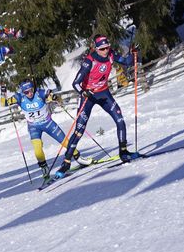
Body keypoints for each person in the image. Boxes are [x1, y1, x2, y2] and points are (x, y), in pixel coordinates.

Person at [57, 35, 137, 179]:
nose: (106, 51)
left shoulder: (111, 54)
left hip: (104, 94)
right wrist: (84, 92)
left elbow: (126, 61)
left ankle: (123, 151)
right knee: (79, 130)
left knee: (120, 120)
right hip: (88, 97)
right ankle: (66, 162)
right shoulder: (90, 61)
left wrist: (133, 53)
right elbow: (76, 83)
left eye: (107, 47)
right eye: (102, 49)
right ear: (96, 49)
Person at [3, 81, 92, 180]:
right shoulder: (19, 97)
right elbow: (4, 103)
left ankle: (78, 158)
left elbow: (50, 94)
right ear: (23, 92)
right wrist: (3, 93)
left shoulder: (39, 93)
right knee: (37, 149)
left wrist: (54, 97)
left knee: (66, 142)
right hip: (34, 127)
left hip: (48, 124)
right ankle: (44, 168)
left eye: (31, 90)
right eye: (26, 92)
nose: (30, 93)